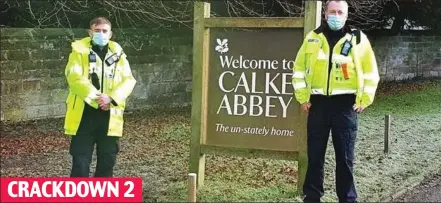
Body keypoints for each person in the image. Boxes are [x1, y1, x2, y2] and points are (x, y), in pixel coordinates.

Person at [292, 0, 380, 202]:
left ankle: (348, 199)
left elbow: (370, 72)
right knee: (315, 157)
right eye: (332, 11)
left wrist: (364, 99)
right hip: (318, 105)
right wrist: (303, 97)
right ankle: (312, 197)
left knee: (345, 159)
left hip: (345, 107)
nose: (336, 15)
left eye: (340, 12)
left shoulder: (358, 39)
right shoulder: (313, 38)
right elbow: (298, 69)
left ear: (347, 15)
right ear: (325, 13)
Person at [63, 16, 136, 177]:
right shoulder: (78, 52)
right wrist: (98, 99)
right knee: (80, 162)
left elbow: (128, 80)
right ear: (90, 32)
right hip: (84, 116)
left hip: (110, 117)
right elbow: (74, 79)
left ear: (110, 34)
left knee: (107, 161)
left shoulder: (118, 54)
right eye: (97, 31)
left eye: (104, 31)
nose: (101, 34)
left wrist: (111, 98)